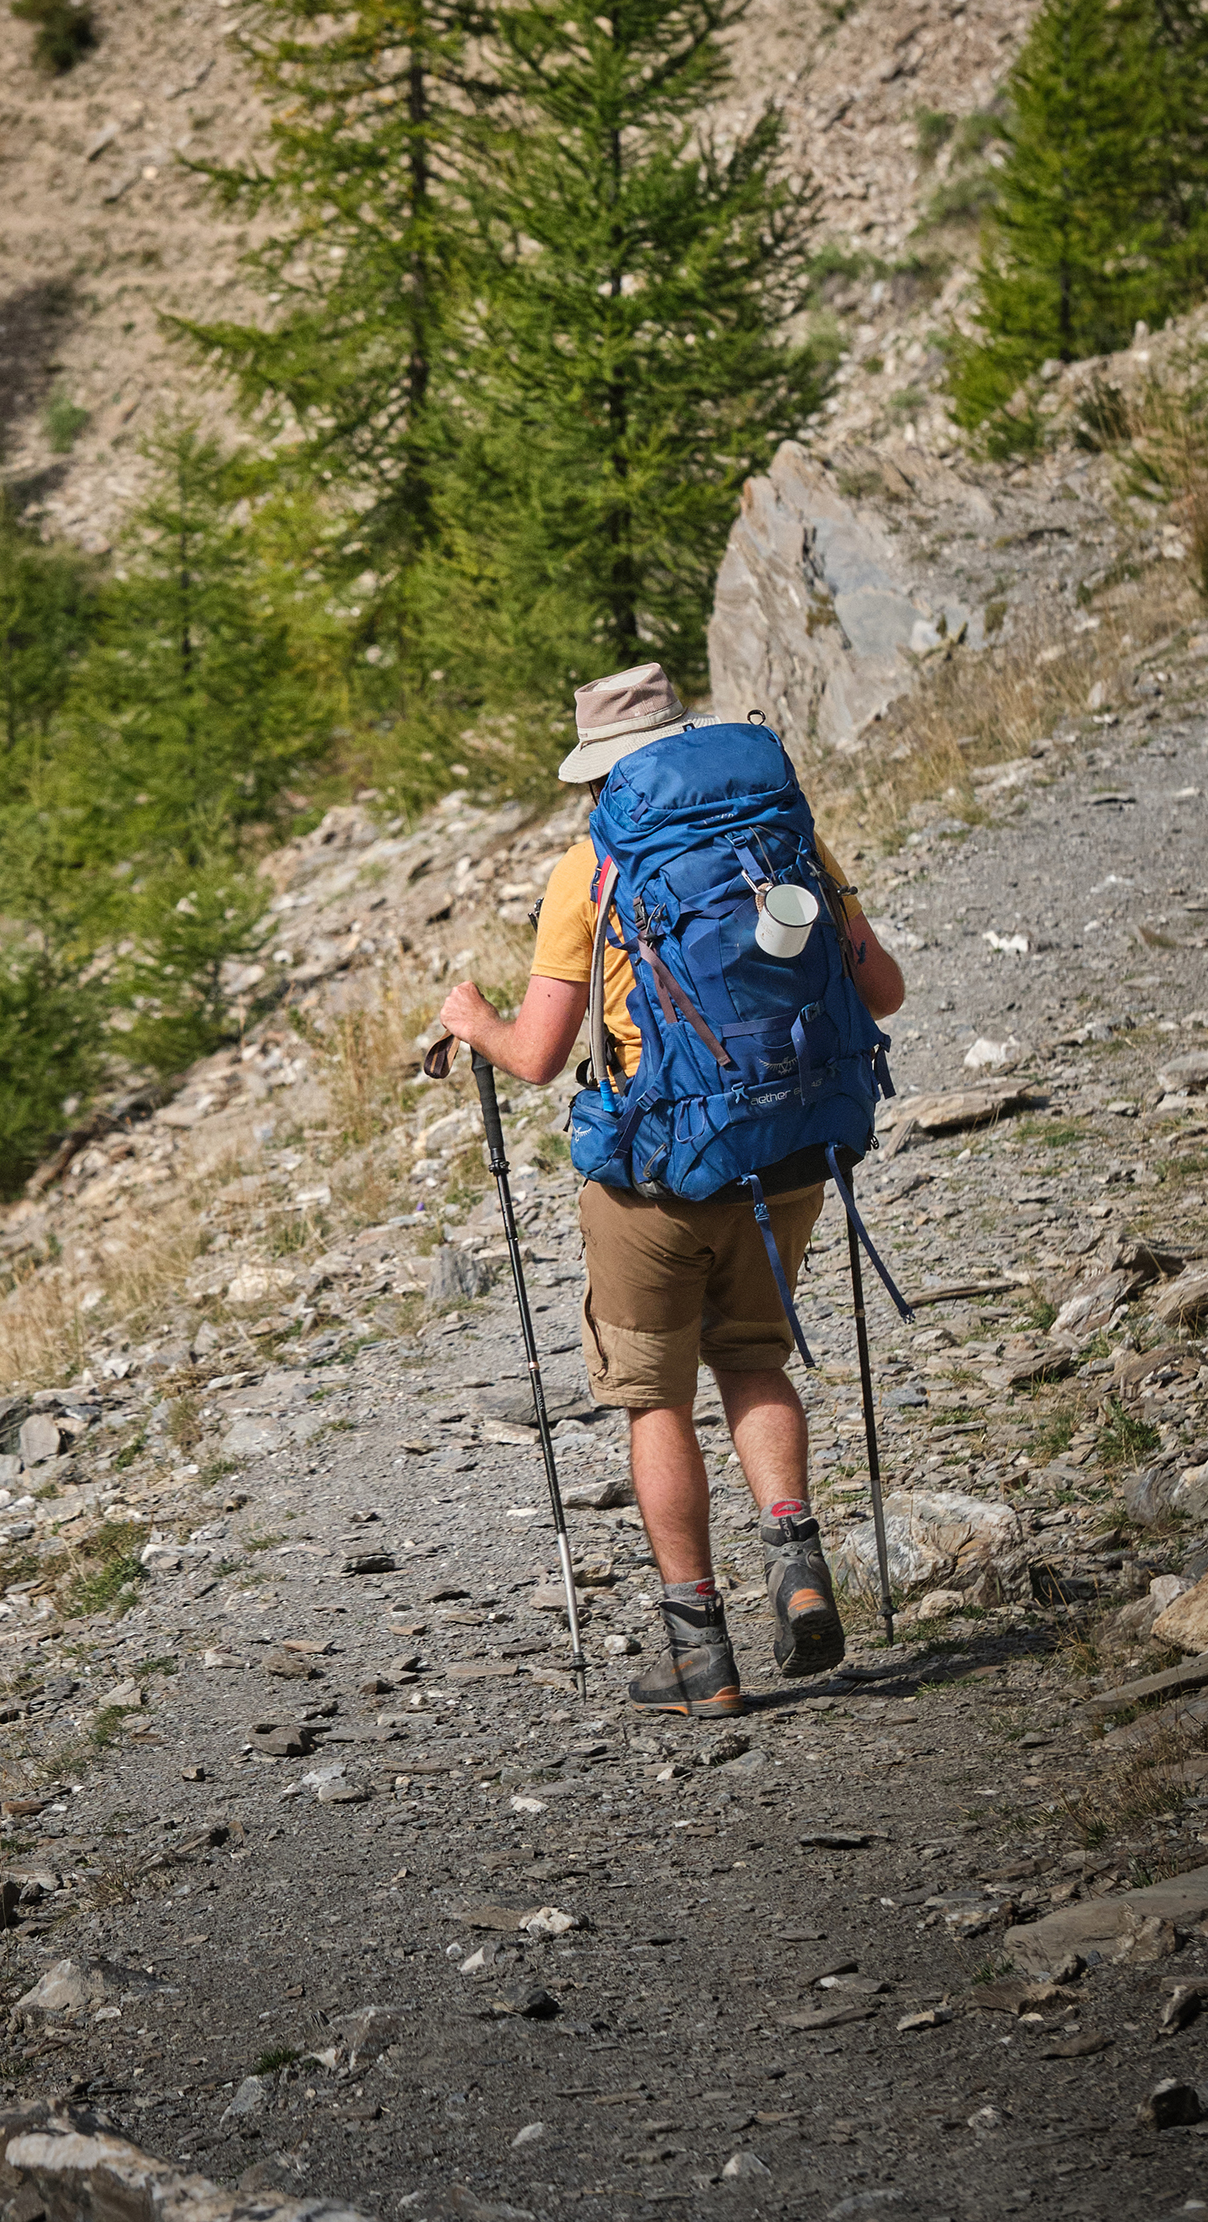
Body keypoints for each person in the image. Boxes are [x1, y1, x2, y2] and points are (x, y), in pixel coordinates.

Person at [437, 663, 906, 1717]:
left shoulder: (589, 864)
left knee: (655, 1395)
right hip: (785, 1154)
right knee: (751, 1356)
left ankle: (698, 1646)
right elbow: (880, 989)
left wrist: (472, 1021)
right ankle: (795, 1563)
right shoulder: (781, 833)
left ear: (598, 768)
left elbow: (538, 1056)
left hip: (654, 1178)